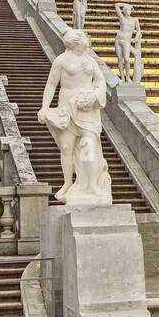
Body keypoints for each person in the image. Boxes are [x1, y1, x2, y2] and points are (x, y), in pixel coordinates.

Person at [37, 29, 111, 206]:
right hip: (66, 108)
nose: (88, 39)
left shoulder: (90, 61)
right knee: (66, 146)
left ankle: (92, 184)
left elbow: (101, 82)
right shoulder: (61, 60)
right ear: (78, 42)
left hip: (86, 110)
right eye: (85, 37)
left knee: (89, 145)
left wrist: (93, 97)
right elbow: (51, 84)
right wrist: (44, 107)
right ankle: (68, 183)